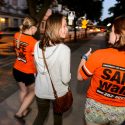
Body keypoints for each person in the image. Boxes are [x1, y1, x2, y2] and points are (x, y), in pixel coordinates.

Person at [77, 15, 125, 125]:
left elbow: (80, 77)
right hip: (120, 112)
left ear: (119, 35)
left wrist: (84, 58)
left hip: (95, 110)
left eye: (112, 30)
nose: (109, 33)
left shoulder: (99, 55)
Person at [33, 13, 71, 125]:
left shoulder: (37, 45)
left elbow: (38, 67)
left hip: (40, 90)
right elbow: (65, 79)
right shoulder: (64, 50)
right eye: (64, 26)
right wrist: (70, 75)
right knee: (58, 117)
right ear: (55, 27)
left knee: (40, 116)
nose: (66, 29)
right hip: (58, 93)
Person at [13, 16, 38, 123]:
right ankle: (19, 113)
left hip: (17, 69)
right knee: (33, 91)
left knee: (23, 90)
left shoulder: (16, 35)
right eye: (36, 27)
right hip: (28, 72)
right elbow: (36, 60)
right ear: (32, 27)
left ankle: (24, 110)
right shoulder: (34, 41)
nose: (37, 29)